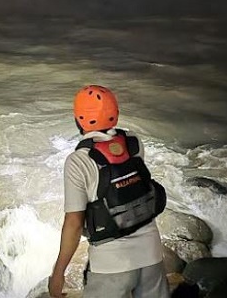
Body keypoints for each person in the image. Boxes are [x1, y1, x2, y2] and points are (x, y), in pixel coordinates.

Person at [48, 84, 169, 298]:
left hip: (111, 265)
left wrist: (58, 272)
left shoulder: (79, 161)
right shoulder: (134, 143)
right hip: (152, 255)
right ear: (115, 114)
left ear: (79, 119)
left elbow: (74, 223)